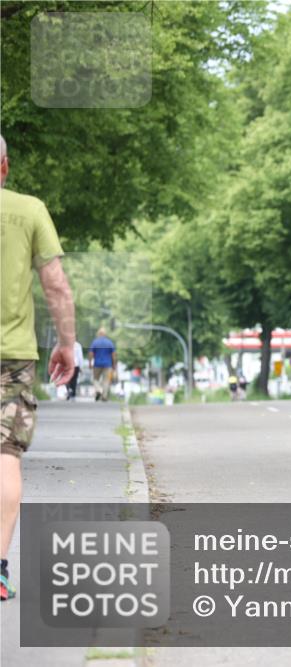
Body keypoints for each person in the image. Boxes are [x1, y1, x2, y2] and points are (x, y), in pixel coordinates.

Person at [0, 134, 76, 601]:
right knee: (5, 454)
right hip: (10, 357)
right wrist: (67, 344)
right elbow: (56, 286)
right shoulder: (29, 211)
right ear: (4, 166)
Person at [89, 328, 116, 401]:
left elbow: (91, 353)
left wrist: (90, 363)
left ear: (99, 334)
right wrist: (114, 364)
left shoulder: (95, 342)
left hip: (97, 364)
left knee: (95, 379)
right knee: (106, 380)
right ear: (105, 334)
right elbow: (113, 355)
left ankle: (98, 389)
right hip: (108, 365)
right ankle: (104, 396)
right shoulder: (109, 343)